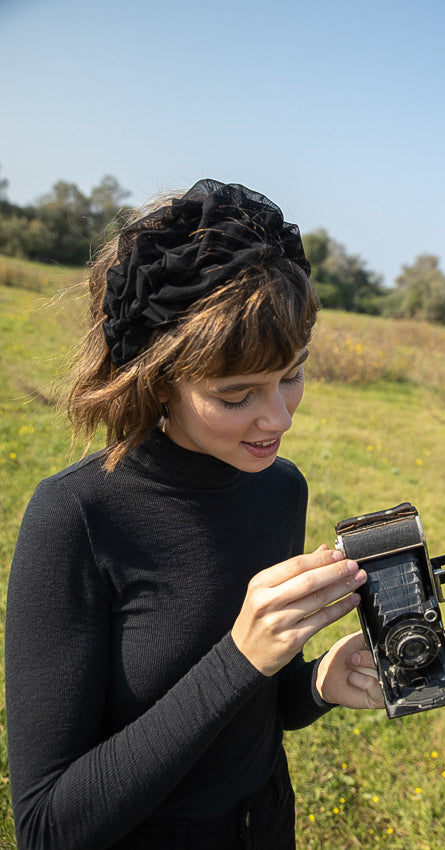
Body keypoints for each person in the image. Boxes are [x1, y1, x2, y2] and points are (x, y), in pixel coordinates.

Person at [5, 179, 383, 850]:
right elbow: (46, 826)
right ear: (157, 379)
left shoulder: (278, 489)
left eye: (292, 372)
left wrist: (315, 686)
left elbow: (252, 706)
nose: (279, 417)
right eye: (235, 395)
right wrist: (238, 655)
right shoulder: (77, 518)